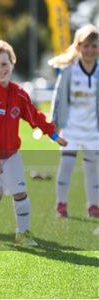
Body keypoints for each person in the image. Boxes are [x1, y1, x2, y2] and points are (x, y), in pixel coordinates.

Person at [0, 40, 67, 246]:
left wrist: (52, 133)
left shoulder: (19, 94)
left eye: (4, 64)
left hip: (11, 154)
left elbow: (34, 116)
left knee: (20, 192)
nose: (0, 69)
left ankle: (23, 234)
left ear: (12, 62)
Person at [49, 24, 99, 218]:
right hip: (71, 128)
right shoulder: (69, 71)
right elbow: (59, 96)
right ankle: (61, 204)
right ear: (78, 47)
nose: (89, 50)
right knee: (67, 166)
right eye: (85, 45)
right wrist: (54, 122)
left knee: (92, 170)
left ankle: (93, 205)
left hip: (93, 130)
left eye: (94, 45)